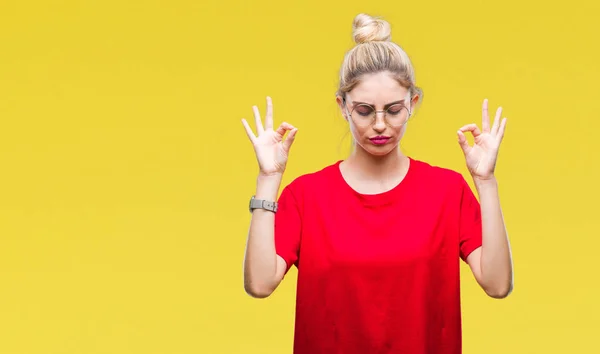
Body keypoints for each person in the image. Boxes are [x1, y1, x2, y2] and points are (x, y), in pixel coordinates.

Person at [240, 13, 513, 354]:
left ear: (413, 104)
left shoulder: (447, 191)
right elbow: (260, 284)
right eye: (365, 111)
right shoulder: (307, 196)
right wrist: (268, 179)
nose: (380, 125)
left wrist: (485, 182)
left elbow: (498, 283)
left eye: (394, 110)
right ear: (343, 107)